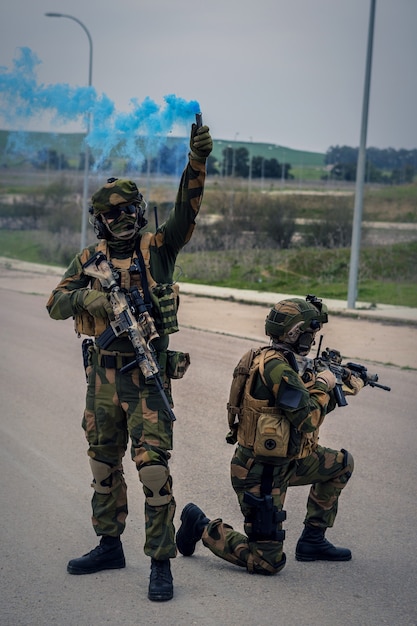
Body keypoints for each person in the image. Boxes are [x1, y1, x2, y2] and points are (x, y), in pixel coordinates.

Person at [46, 121, 213, 601]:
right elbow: (55, 304)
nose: (122, 220)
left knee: (153, 471)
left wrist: (195, 163)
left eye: (129, 211)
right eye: (112, 214)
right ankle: (108, 544)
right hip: (101, 379)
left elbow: (187, 212)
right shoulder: (87, 260)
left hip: (145, 379)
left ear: (140, 212)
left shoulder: (158, 250)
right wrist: (90, 302)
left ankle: (161, 562)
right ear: (99, 219)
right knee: (102, 463)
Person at [176, 295, 365, 576]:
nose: (312, 339)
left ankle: (313, 541)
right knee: (267, 562)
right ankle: (201, 525)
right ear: (294, 333)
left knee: (340, 465)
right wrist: (327, 386)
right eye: (310, 333)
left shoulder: (288, 362)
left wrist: (339, 380)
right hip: (259, 474)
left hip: (288, 462)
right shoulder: (277, 369)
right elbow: (308, 418)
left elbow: (301, 401)